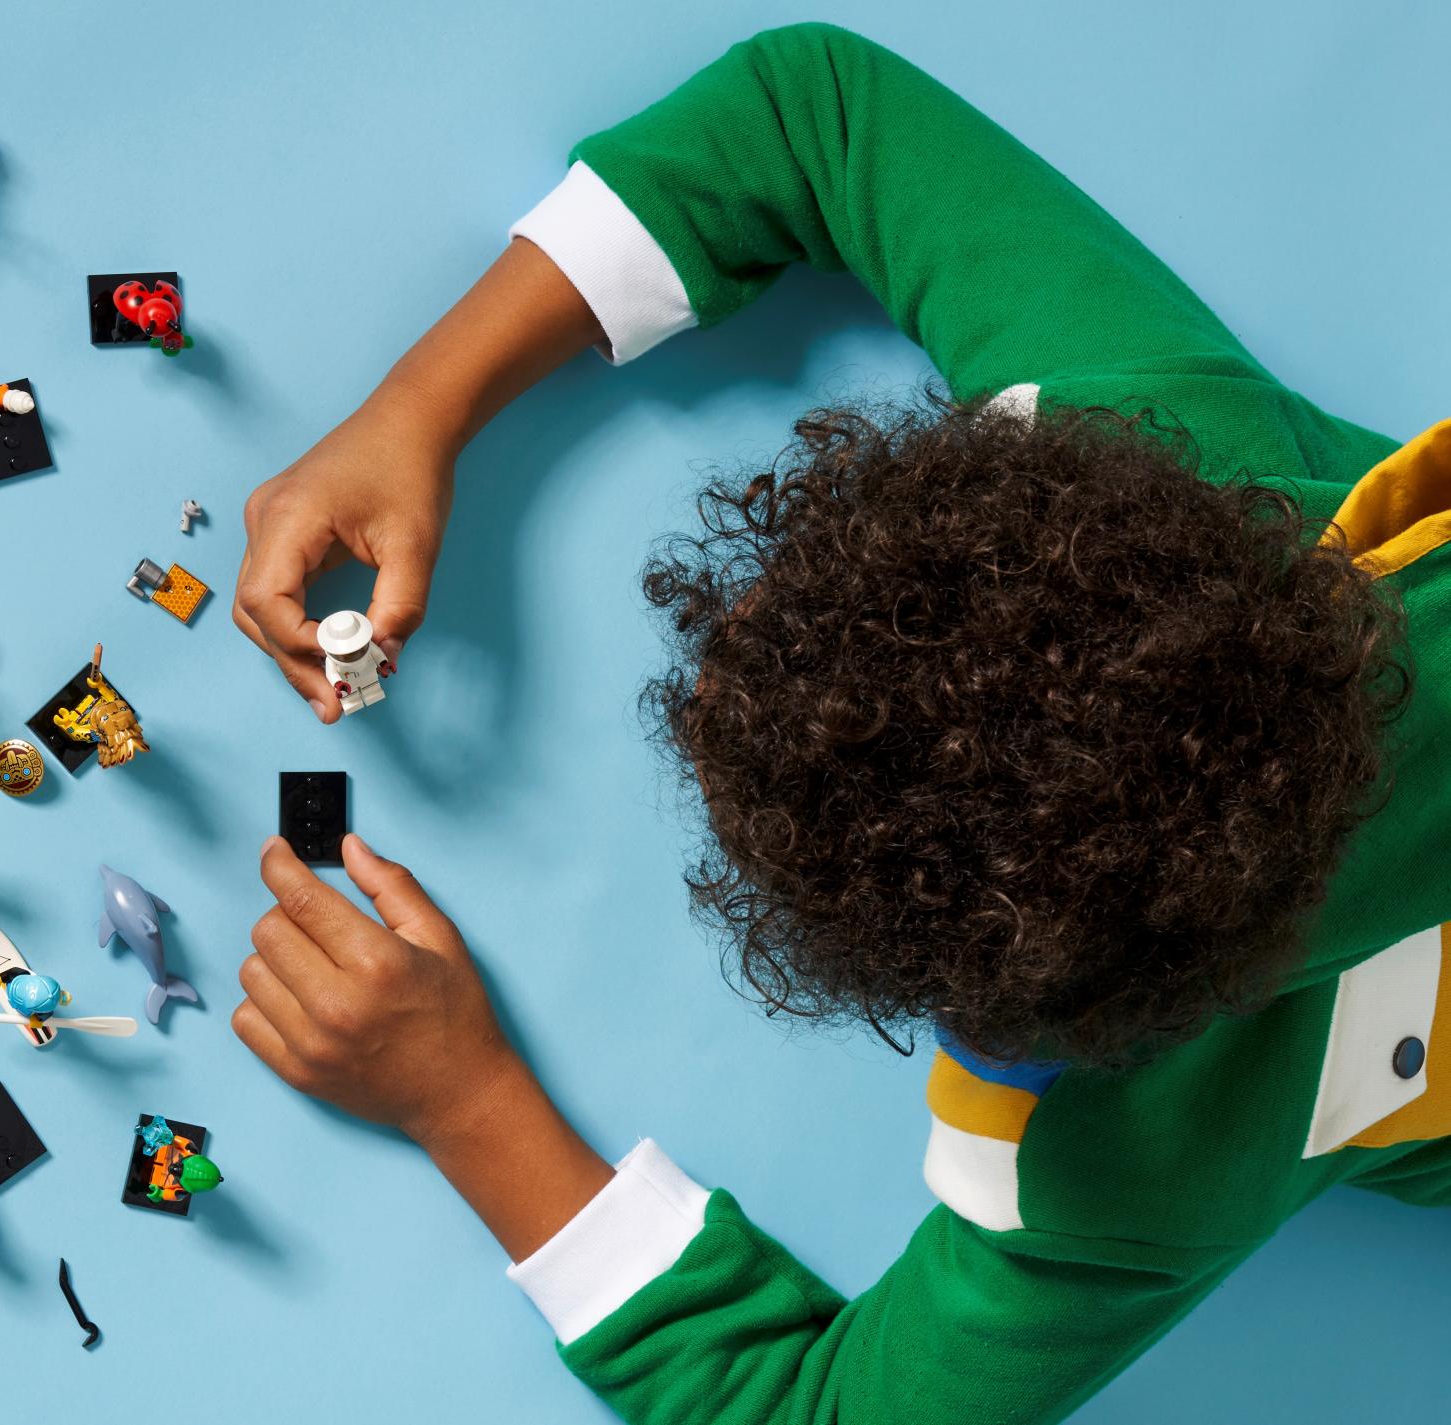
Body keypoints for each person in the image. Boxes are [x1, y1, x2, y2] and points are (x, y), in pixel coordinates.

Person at [230, 23, 1451, 1422]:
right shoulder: (1171, 434)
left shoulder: (1126, 1173)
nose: (715, 671)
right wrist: (418, 409)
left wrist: (463, 1103)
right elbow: (813, 109)